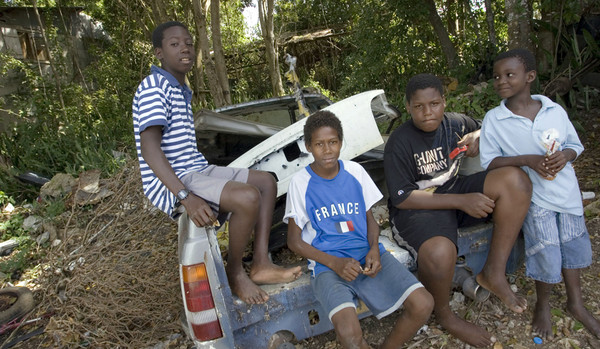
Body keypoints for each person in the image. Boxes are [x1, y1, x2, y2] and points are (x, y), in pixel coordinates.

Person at [132, 21, 301, 305]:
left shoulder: (179, 87)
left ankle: (260, 263)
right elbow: (150, 151)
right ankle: (235, 274)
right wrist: (185, 197)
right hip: (176, 178)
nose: (184, 48)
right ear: (159, 53)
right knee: (247, 197)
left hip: (195, 168)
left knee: (266, 182)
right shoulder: (154, 87)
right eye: (174, 44)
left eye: (188, 42)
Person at [383, 73, 532, 347]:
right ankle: (444, 314)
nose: (428, 112)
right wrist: (463, 202)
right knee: (440, 252)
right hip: (417, 208)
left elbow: (488, 126)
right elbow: (403, 198)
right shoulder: (399, 143)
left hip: (454, 192)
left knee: (516, 181)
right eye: (419, 107)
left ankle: (493, 273)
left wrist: (477, 133)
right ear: (407, 107)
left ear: (444, 101)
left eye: (435, 104)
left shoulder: (454, 123)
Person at [284, 110, 433, 349]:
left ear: (341, 143)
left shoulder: (355, 172)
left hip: (365, 256)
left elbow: (369, 220)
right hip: (328, 266)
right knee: (350, 336)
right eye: (319, 144)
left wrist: (374, 248)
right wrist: (334, 263)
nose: (328, 150)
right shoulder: (301, 183)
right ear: (308, 147)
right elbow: (294, 241)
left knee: (423, 304)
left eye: (333, 142)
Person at [480, 48, 600, 340]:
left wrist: (565, 156)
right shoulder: (494, 119)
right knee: (545, 250)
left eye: (510, 74)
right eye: (497, 76)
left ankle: (576, 304)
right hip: (535, 199)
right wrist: (527, 159)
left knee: (571, 246)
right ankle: (543, 305)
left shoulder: (553, 110)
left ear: (530, 77)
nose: (501, 81)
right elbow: (490, 163)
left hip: (567, 194)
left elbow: (574, 144)